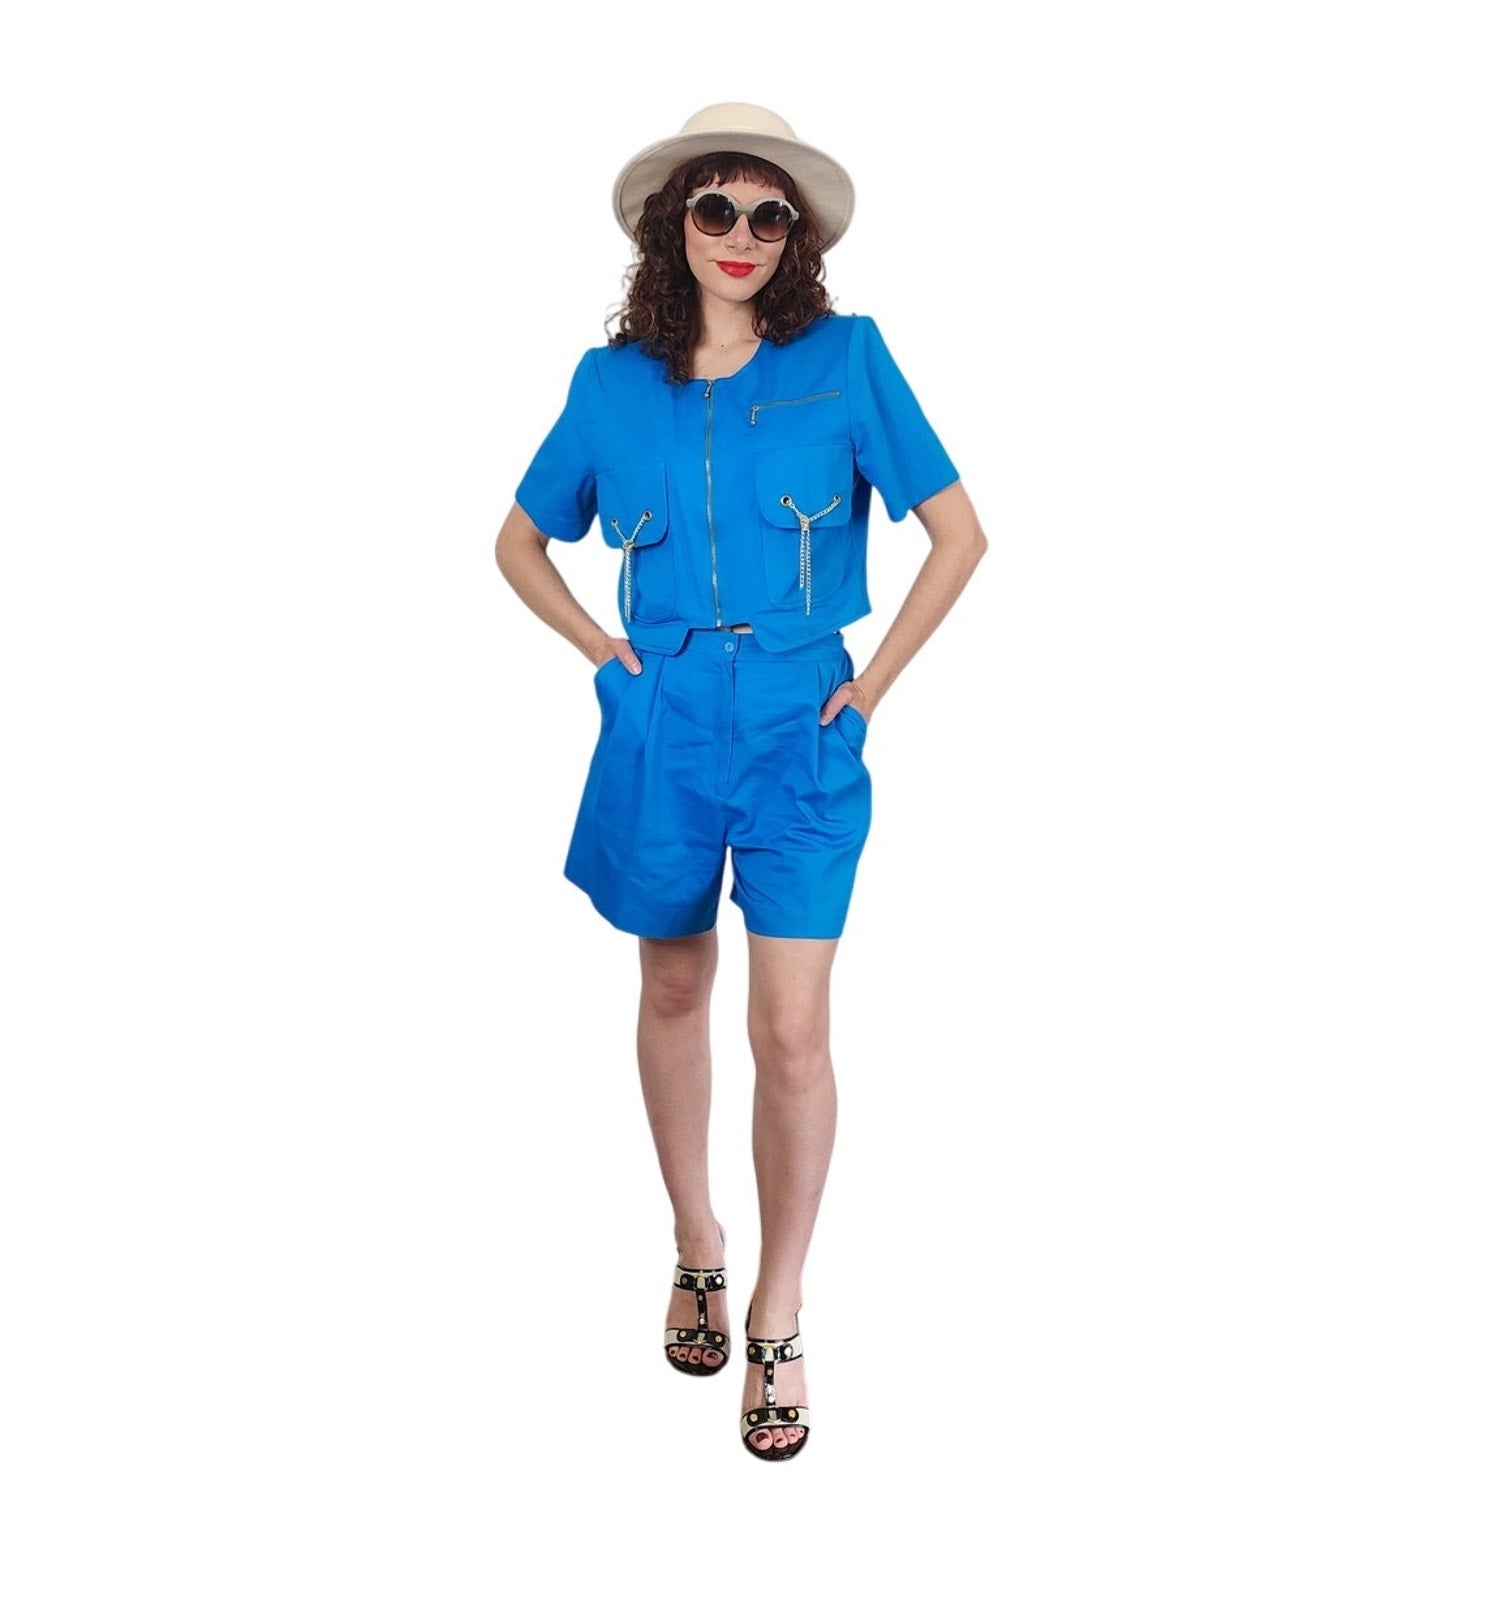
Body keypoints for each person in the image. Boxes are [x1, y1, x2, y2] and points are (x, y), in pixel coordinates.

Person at [494, 103, 987, 1460]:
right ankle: (697, 1240)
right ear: (674, 225)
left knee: (792, 1031)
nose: (742, 235)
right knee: (670, 984)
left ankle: (778, 1304)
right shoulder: (610, 386)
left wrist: (867, 691)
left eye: (770, 215)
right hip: (659, 721)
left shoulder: (847, 360)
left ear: (795, 238)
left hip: (799, 724)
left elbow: (959, 533)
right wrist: (605, 655)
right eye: (716, 208)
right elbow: (520, 542)